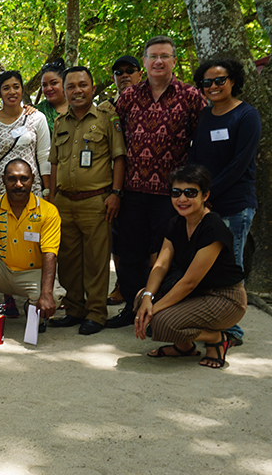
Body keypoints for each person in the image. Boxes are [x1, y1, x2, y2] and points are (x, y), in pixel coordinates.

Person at [108, 36, 207, 329]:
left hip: (173, 195)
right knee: (130, 254)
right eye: (153, 56)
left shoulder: (190, 96)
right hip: (132, 191)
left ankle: (163, 310)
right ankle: (132, 307)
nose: (158, 61)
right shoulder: (126, 98)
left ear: (174, 61)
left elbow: (201, 145)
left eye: (165, 56)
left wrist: (197, 191)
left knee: (169, 254)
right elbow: (114, 141)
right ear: (146, 62)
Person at [133, 164, 246, 369]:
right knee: (140, 298)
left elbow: (190, 282)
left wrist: (154, 309)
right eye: (176, 193)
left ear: (205, 195)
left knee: (161, 322)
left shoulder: (212, 226)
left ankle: (216, 338)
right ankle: (184, 347)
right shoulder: (177, 222)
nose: (182, 199)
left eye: (190, 193)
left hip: (224, 298)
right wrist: (148, 298)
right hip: (197, 295)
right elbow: (161, 264)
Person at [46, 66, 126, 335]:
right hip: (64, 202)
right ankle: (74, 308)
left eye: (82, 85)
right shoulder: (60, 122)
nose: (77, 90)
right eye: (71, 86)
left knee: (96, 260)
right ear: (65, 91)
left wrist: (115, 194)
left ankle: (95, 313)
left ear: (92, 88)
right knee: (68, 261)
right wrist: (53, 200)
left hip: (97, 201)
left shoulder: (106, 118)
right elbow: (55, 163)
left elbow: (118, 157)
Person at [189, 58, 260, 346]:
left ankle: (232, 332)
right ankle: (216, 322)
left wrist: (206, 195)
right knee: (208, 266)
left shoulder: (246, 115)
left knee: (231, 267)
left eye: (220, 80)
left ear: (233, 81)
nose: (214, 86)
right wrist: (191, 191)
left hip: (234, 205)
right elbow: (197, 158)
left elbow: (239, 165)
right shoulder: (205, 116)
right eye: (207, 82)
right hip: (206, 205)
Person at [0, 160, 66, 337]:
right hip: (2, 271)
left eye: (24, 179)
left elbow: (50, 254)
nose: (18, 184)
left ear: (33, 179)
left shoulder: (48, 211)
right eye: (12, 179)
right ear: (3, 180)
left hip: (32, 275)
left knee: (54, 293)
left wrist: (46, 294)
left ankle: (31, 308)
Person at [103, 55, 143, 306]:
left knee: (148, 243)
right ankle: (122, 285)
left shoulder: (151, 101)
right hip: (114, 185)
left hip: (149, 185)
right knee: (117, 240)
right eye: (119, 72)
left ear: (141, 73)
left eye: (130, 70)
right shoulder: (107, 108)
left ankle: (148, 291)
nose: (124, 75)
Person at [0, 71, 49, 202]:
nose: (12, 92)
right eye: (6, 88)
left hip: (31, 191)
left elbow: (44, 157)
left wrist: (48, 191)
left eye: (16, 87)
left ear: (22, 90)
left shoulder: (37, 118)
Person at [35, 59, 67, 134]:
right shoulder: (37, 112)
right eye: (44, 85)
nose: (49, 88)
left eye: (54, 83)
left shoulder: (78, 107)